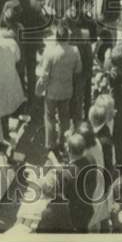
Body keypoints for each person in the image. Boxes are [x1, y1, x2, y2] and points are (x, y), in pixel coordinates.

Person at [38, 22, 83, 155]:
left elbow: (45, 74)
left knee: (50, 117)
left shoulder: (50, 52)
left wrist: (40, 87)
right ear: (67, 37)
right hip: (67, 90)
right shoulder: (74, 51)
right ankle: (63, 142)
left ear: (56, 37)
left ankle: (50, 144)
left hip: (52, 90)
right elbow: (78, 70)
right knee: (64, 117)